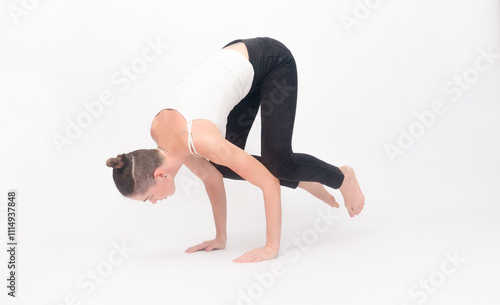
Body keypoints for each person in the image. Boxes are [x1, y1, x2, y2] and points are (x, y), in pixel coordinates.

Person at [106, 37, 365, 263]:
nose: (154, 202)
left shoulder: (201, 140)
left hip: (273, 61)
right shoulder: (161, 136)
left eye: (148, 197)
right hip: (237, 59)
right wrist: (220, 237)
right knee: (222, 164)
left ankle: (342, 177)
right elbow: (211, 177)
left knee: (278, 164)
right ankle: (305, 178)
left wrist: (271, 247)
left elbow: (269, 182)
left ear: (160, 176)